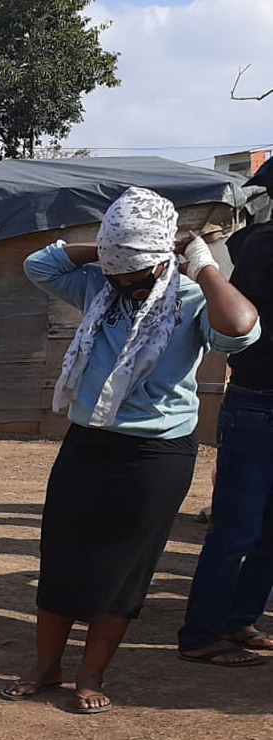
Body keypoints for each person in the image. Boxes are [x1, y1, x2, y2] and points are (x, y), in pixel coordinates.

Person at [1, 187, 260, 714]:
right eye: (121, 275)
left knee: (125, 570)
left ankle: (90, 675)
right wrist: (111, 251)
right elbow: (39, 264)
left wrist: (203, 264)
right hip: (87, 442)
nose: (128, 287)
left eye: (138, 277)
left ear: (161, 262)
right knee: (61, 559)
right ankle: (46, 667)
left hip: (157, 456)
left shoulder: (191, 300)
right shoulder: (99, 288)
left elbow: (240, 327)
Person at [177, 218, 273, 665]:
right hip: (259, 400)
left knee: (261, 530)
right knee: (237, 528)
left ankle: (239, 619)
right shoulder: (261, 245)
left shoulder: (250, 241)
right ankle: (201, 634)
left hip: (256, 400)